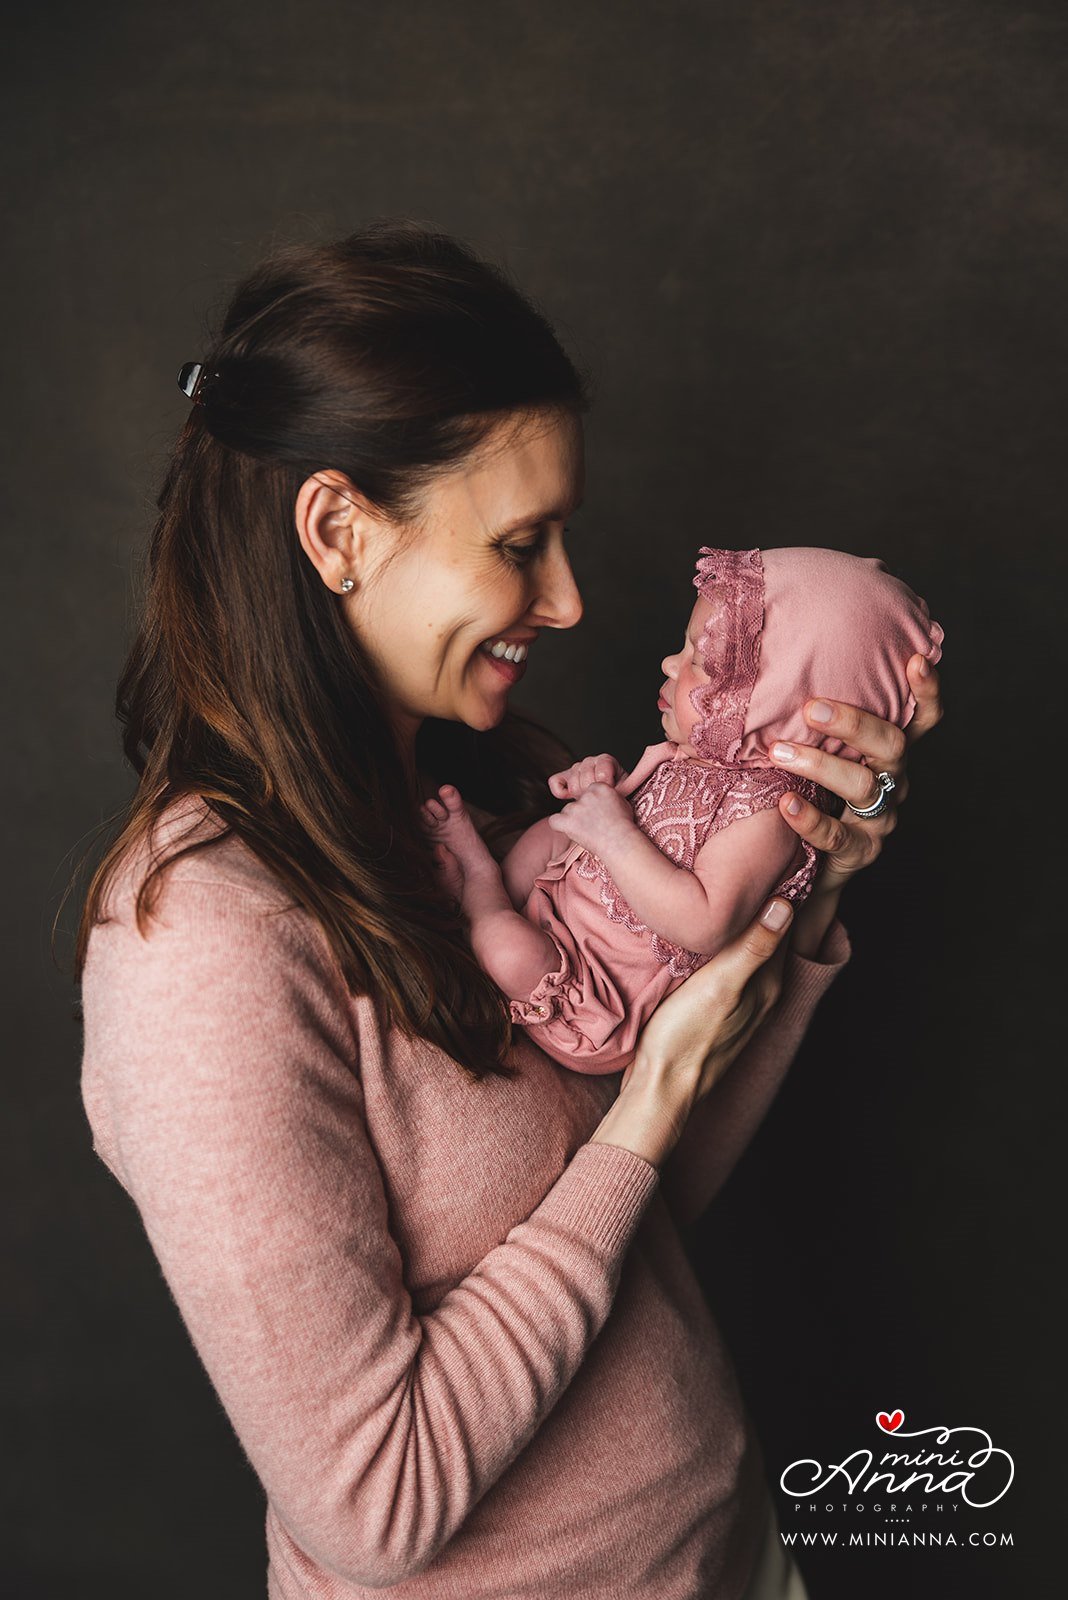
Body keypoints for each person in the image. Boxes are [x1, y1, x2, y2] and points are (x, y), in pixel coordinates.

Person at [76, 220, 943, 1600]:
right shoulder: (200, 945)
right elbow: (378, 1501)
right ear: (339, 530)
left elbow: (623, 1207)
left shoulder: (506, 786)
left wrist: (810, 878)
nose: (572, 599)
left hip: (730, 1557)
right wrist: (651, 1105)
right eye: (521, 543)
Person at [418, 543, 944, 1074]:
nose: (671, 663)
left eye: (700, 660)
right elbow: (645, 825)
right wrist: (603, 787)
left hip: (593, 990)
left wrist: (613, 833)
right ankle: (493, 886)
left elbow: (702, 922)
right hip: (563, 912)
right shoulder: (693, 760)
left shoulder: (769, 813)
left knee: (505, 948)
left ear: (773, 704)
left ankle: (480, 891)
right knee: (552, 832)